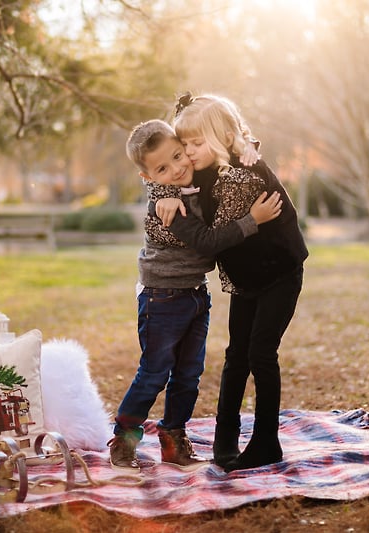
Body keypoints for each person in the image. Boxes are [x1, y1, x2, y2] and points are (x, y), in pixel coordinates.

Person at [109, 119, 283, 473]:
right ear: (148, 178)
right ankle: (124, 442)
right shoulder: (165, 206)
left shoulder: (194, 183)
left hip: (195, 294)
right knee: (154, 373)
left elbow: (220, 148)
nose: (176, 169)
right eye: (162, 169)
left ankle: (173, 440)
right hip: (162, 298)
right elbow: (207, 242)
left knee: (189, 375)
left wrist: (248, 145)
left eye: (178, 156)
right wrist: (253, 219)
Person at [156, 93, 309, 471]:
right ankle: (225, 439)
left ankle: (266, 442)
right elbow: (166, 173)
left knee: (260, 353)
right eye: (184, 144)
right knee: (236, 355)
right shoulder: (210, 164)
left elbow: (213, 238)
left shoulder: (241, 178)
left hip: (279, 272)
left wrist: (179, 211)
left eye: (196, 143)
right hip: (246, 277)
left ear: (223, 138)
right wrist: (167, 193)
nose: (188, 153)